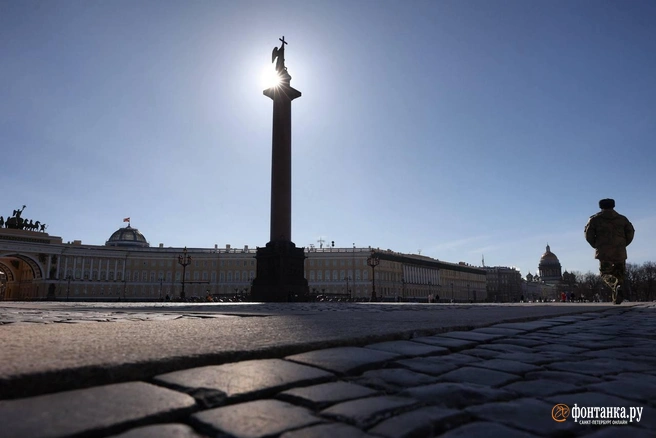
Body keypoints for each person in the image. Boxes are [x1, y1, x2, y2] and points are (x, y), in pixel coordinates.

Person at [585, 198, 635, 305]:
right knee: (619, 274)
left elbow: (588, 235)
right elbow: (630, 233)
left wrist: (597, 245)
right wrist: (623, 244)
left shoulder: (594, 220)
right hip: (619, 251)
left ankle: (616, 288)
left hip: (604, 251)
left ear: (600, 207)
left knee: (605, 273)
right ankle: (617, 295)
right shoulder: (622, 219)